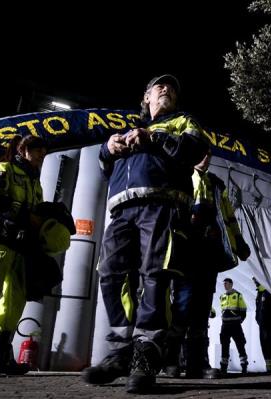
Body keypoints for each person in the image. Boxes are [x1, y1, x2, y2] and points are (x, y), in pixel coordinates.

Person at [81, 74, 209, 393]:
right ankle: (122, 349)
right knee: (110, 274)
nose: (165, 89)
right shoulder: (128, 130)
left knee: (156, 275)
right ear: (146, 97)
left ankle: (147, 358)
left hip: (162, 206)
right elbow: (105, 168)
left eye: (171, 88)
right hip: (122, 209)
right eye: (158, 87)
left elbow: (196, 149)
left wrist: (156, 140)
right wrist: (108, 149)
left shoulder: (182, 121)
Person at [0, 135, 74, 377]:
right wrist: (27, 216)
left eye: (44, 153)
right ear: (23, 149)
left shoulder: (36, 183)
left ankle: (2, 356)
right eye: (37, 152)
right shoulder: (4, 169)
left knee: (15, 301)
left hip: (23, 246)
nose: (41, 157)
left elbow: (36, 214)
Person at [164, 151, 250, 379]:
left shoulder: (216, 184)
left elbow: (228, 216)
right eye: (199, 153)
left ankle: (198, 363)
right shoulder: (178, 177)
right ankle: (171, 360)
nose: (204, 158)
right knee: (182, 305)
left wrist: (239, 241)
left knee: (202, 308)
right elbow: (171, 210)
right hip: (185, 251)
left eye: (208, 155)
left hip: (209, 253)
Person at [219, 278, 249, 374]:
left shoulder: (238, 295)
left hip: (235, 325)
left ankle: (244, 365)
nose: (224, 285)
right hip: (225, 326)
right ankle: (223, 367)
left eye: (226, 283)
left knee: (240, 345)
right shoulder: (222, 296)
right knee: (224, 346)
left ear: (231, 284)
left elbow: (243, 309)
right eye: (224, 284)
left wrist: (239, 320)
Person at [252, 277, 271, 370]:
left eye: (255, 279)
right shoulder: (259, 293)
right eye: (253, 280)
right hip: (262, 324)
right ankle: (269, 366)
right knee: (264, 344)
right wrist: (258, 320)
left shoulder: (268, 292)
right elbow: (258, 309)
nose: (254, 282)